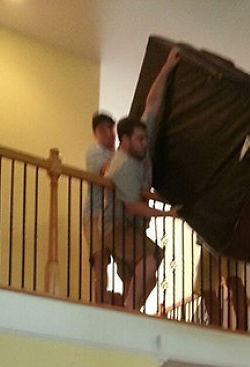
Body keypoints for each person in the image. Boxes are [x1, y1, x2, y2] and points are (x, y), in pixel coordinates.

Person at [104, 47, 181, 311]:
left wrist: (168, 66)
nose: (144, 142)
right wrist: (167, 213)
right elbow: (132, 206)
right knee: (149, 261)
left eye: (144, 137)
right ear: (124, 141)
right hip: (115, 228)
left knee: (149, 270)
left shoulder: (140, 148)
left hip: (134, 228)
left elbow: (153, 102)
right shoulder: (122, 166)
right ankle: (128, 311)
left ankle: (130, 311)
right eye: (139, 139)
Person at [83, 111, 116, 302]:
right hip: (94, 215)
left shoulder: (117, 154)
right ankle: (100, 305)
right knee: (100, 261)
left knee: (121, 261)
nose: (109, 134)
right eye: (103, 130)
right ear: (96, 134)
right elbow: (108, 172)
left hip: (111, 216)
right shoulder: (95, 151)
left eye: (111, 129)